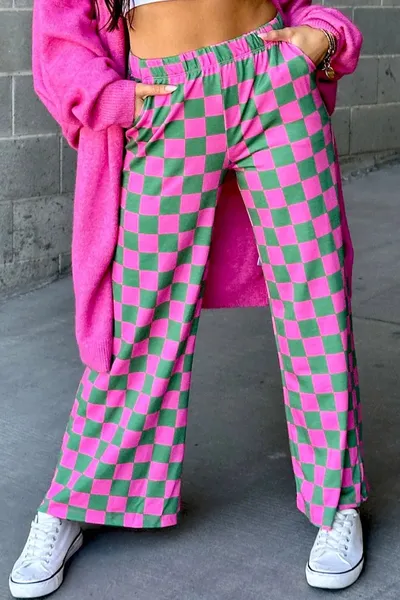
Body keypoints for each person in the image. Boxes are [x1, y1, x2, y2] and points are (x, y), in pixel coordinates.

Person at [10, 0, 367, 596]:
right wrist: (114, 98)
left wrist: (319, 39)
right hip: (166, 95)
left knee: (316, 297)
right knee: (137, 311)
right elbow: (59, 28)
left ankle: (338, 499)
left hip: (273, 78)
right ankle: (75, 497)